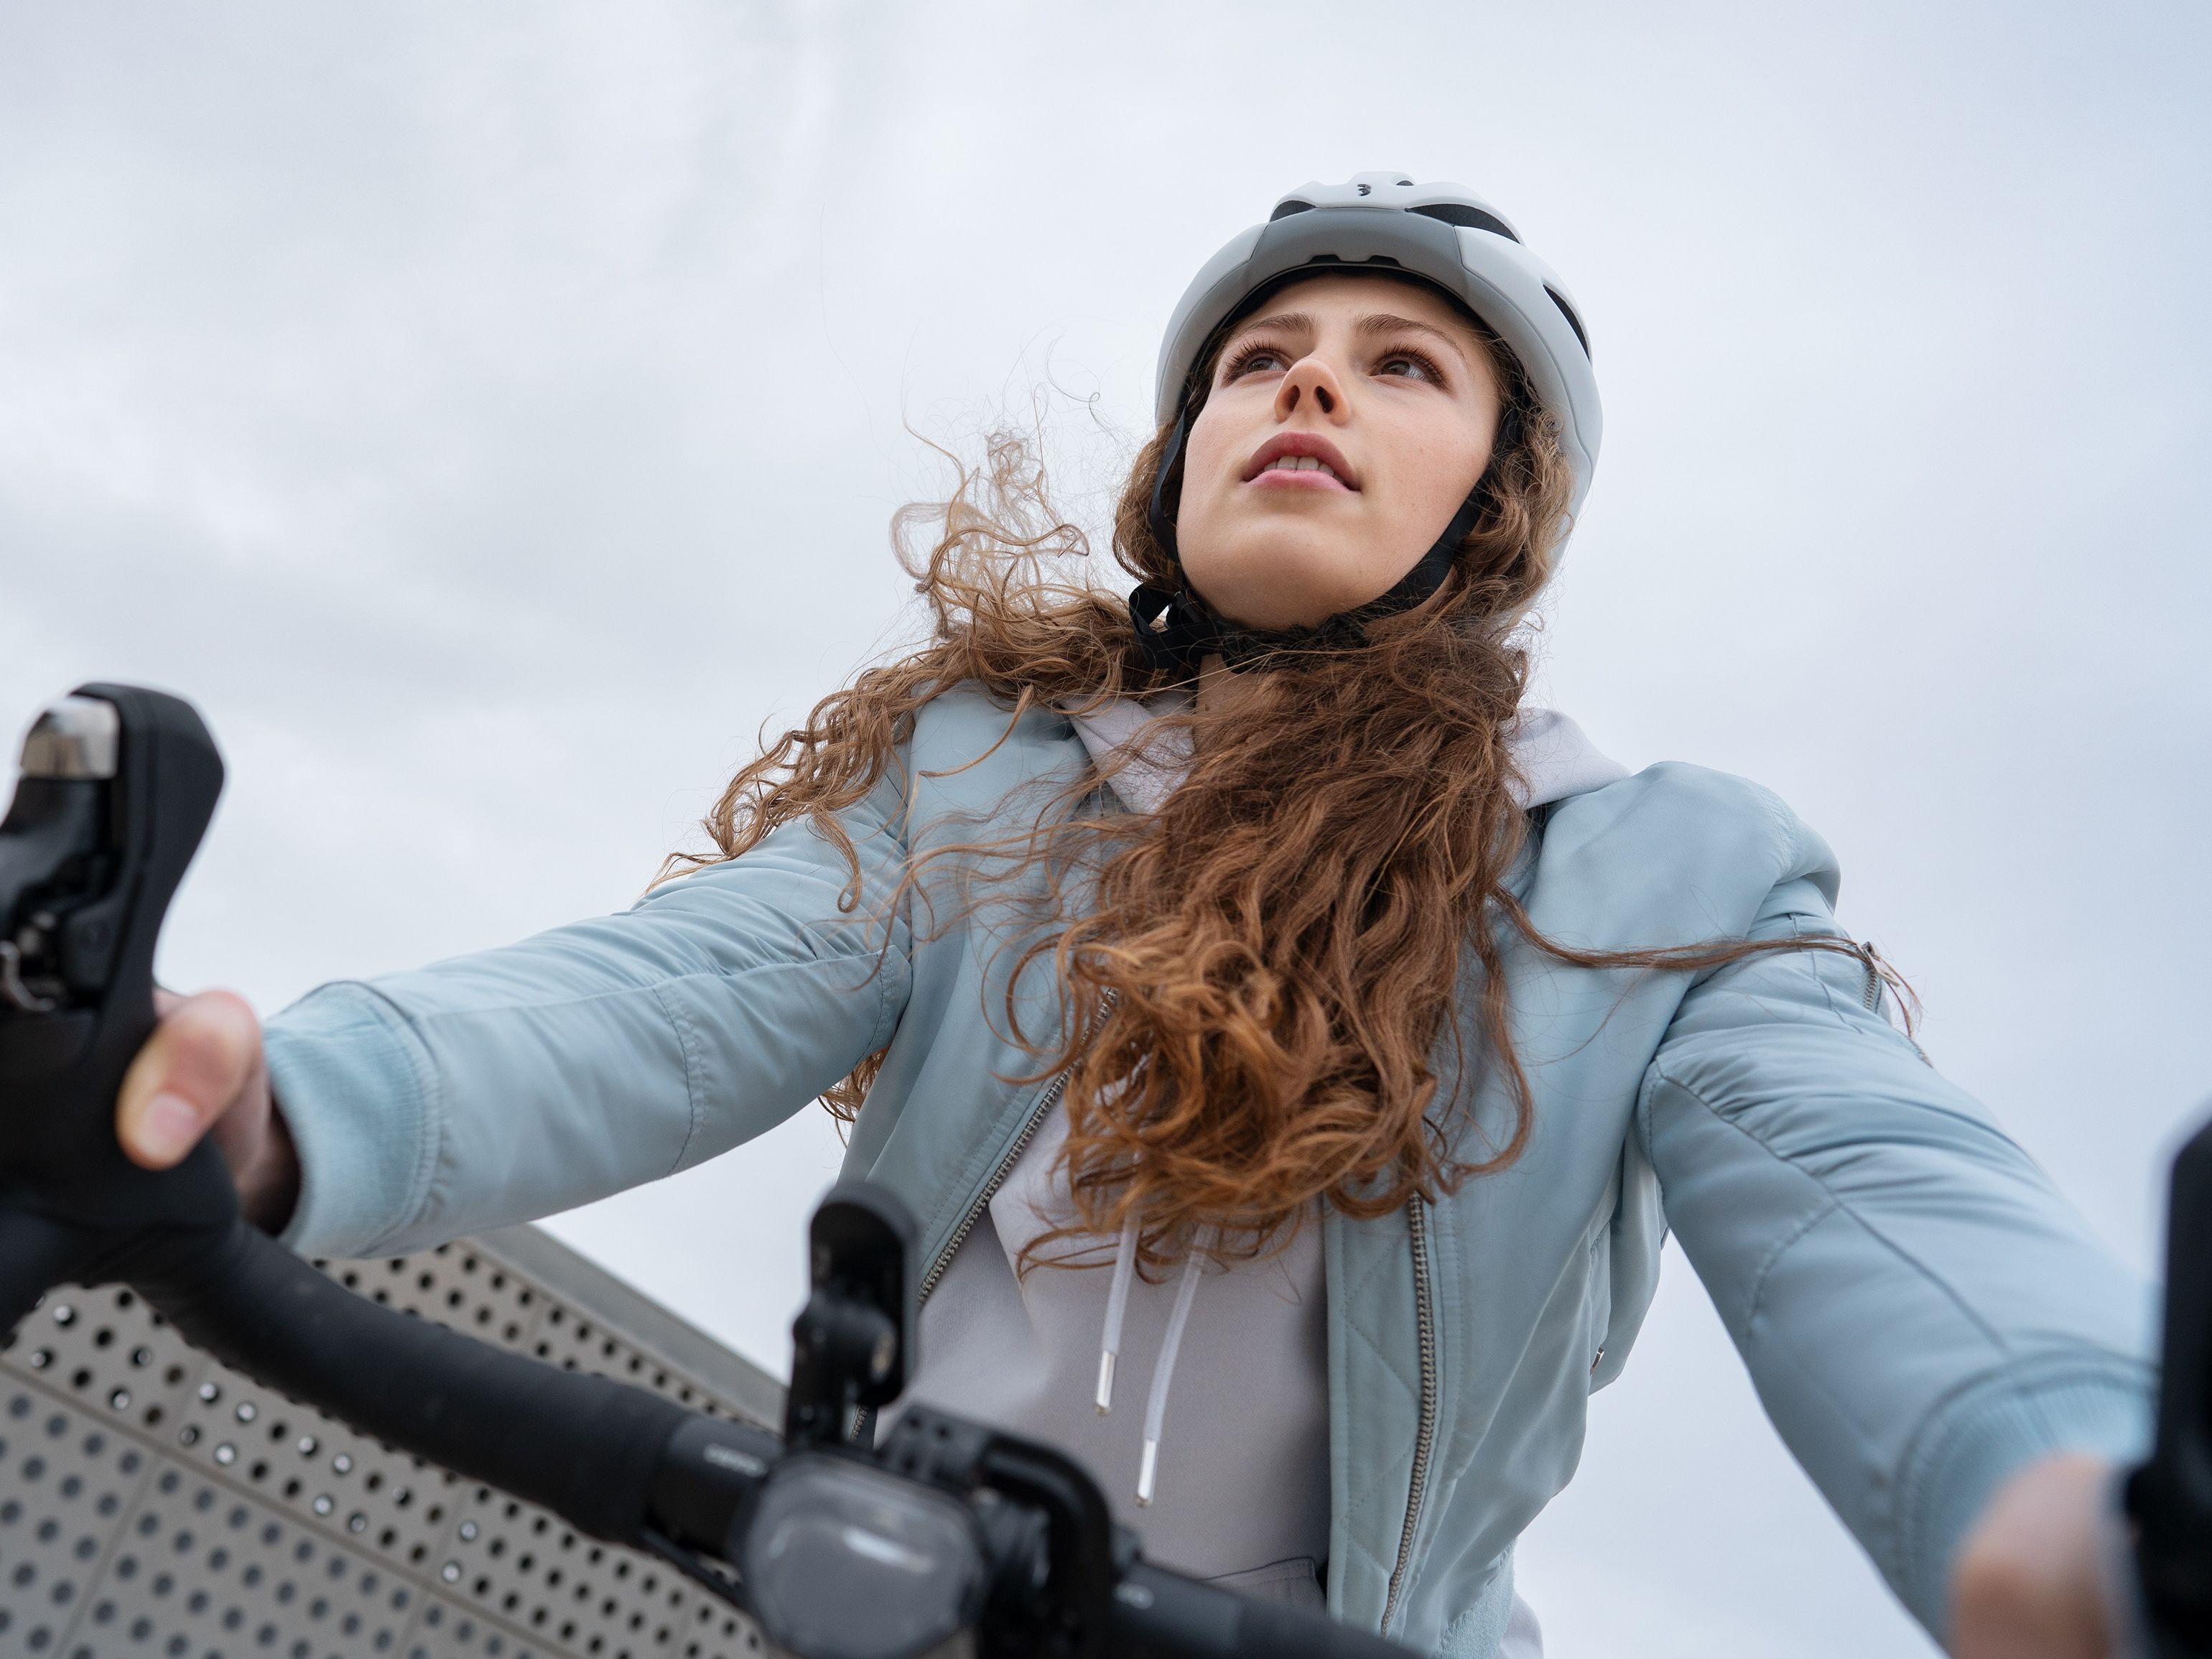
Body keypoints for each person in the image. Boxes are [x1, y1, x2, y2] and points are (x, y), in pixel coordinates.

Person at [111, 174, 2152, 1659]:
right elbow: (670, 994)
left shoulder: (1652, 874)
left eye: (1400, 366)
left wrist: (2068, 1479)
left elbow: (1863, 1181)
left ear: (1496, 499)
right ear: (1180, 460)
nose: (1310, 390)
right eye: (1260, 360)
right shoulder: (989, 781)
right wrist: (270, 1106)